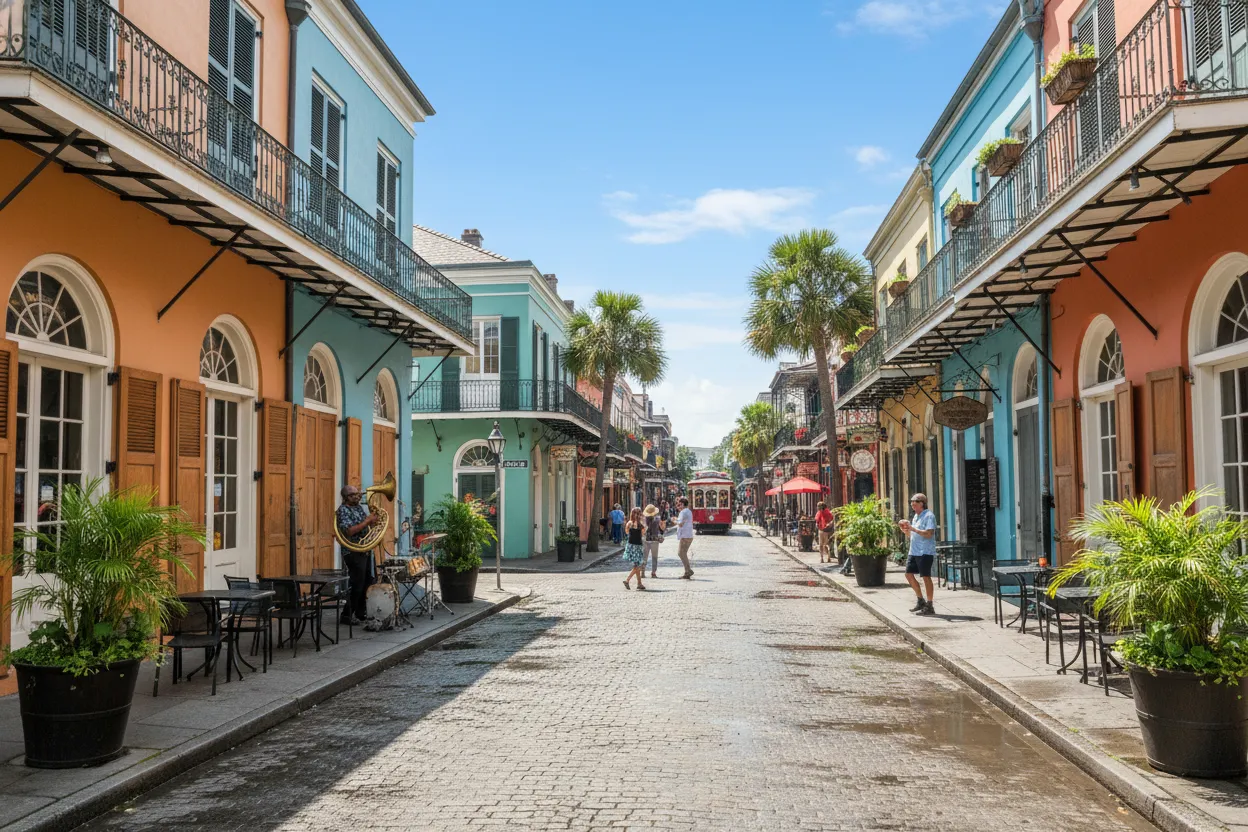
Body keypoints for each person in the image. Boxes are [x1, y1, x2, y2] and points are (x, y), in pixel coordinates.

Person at [336, 485, 379, 624]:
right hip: (352, 551)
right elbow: (350, 531)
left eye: (357, 494)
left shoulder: (358, 508)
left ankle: (361, 613)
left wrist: (373, 523)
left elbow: (366, 526)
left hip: (364, 550)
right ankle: (347, 615)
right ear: (347, 497)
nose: (358, 496)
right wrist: (367, 521)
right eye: (354, 494)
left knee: (368, 581)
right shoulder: (343, 511)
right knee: (357, 584)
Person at [900, 493, 937, 616]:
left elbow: (929, 534)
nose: (913, 507)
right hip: (914, 551)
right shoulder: (916, 516)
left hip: (925, 551)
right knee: (908, 575)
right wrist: (905, 530)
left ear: (922, 503)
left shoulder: (929, 516)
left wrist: (913, 529)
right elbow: (913, 535)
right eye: (912, 505)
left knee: (926, 577)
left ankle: (930, 605)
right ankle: (921, 600)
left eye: (915, 505)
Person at [622, 507, 648, 590]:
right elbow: (643, 533)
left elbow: (626, 532)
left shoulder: (629, 523)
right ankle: (627, 580)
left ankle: (639, 584)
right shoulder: (641, 525)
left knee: (636, 565)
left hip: (630, 546)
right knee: (638, 566)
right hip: (638, 545)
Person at [643, 504, 665, 578]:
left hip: (645, 539)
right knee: (654, 557)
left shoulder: (644, 519)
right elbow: (662, 529)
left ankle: (642, 572)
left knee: (644, 556)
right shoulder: (658, 519)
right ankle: (653, 573)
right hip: (655, 539)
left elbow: (643, 530)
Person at [675, 496, 694, 579]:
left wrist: (674, 520)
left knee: (681, 553)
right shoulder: (688, 511)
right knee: (683, 553)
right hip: (689, 535)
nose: (679, 506)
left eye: (680, 504)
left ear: (683, 504)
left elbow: (680, 523)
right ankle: (688, 570)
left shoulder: (683, 512)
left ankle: (688, 571)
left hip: (685, 535)